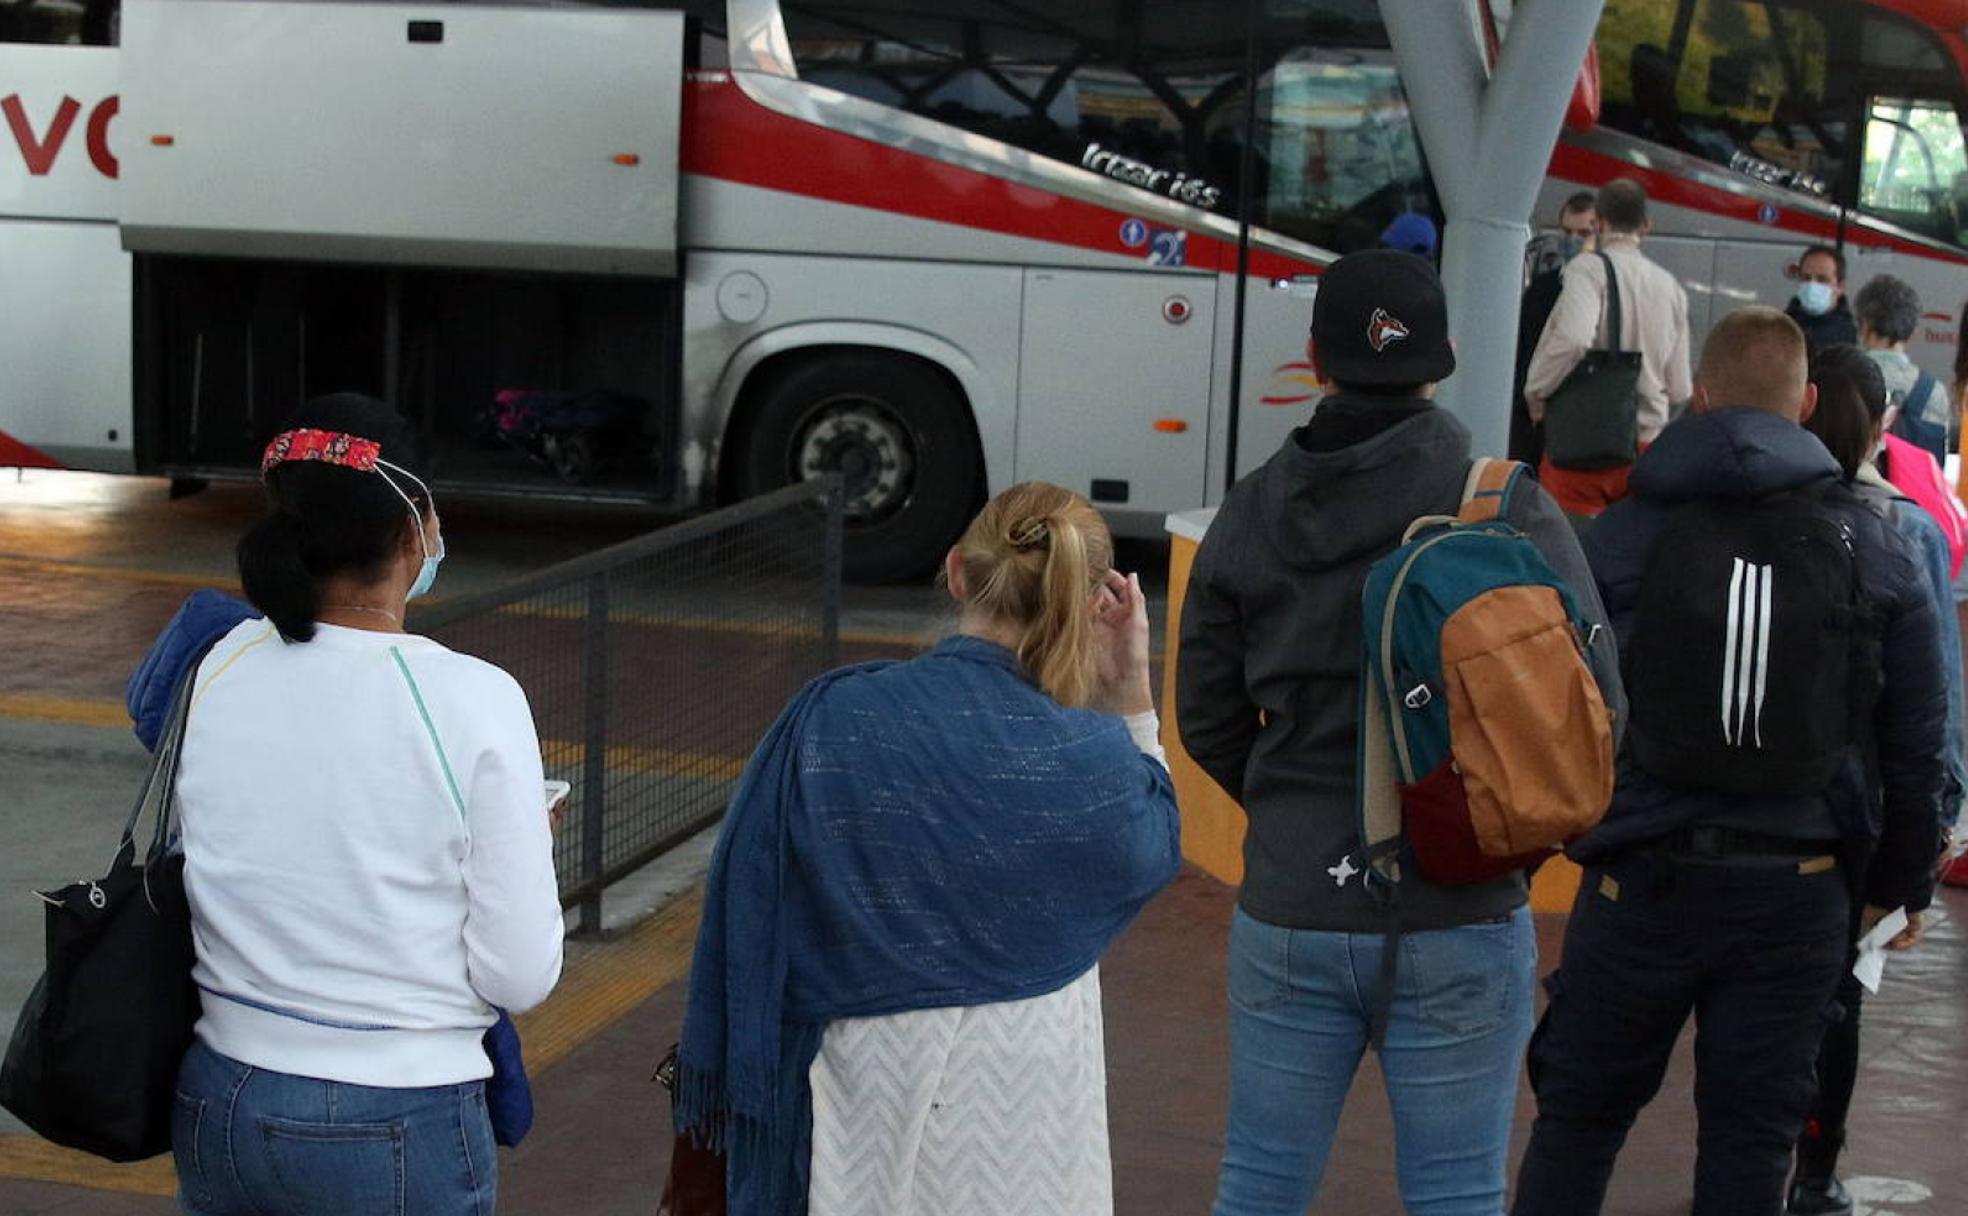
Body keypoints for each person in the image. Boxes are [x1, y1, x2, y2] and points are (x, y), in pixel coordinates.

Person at [1177, 249, 1621, 1216]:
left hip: (1293, 904)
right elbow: (1597, 708)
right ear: (1446, 358)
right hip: (1461, 907)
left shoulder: (1251, 508)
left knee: (1257, 1186)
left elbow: (1204, 711)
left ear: (1314, 359)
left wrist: (1296, 809)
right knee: (1458, 1194)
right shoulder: (1504, 506)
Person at [1512, 309, 1946, 1216]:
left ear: (1700, 398)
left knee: (1579, 1124)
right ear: (1809, 401)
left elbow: (1560, 710)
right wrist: (1899, 884)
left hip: (1640, 887)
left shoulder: (1615, 540)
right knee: (1751, 1145)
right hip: (1799, 892)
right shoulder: (1879, 545)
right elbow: (1914, 740)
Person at [673, 481, 1180, 1216]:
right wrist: (1131, 687)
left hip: (857, 1079)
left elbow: (754, 895)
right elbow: (1154, 844)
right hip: (1025, 1096)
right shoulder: (1095, 755)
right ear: (1081, 599)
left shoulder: (831, 718)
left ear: (955, 571)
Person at [162, 394, 566, 1216]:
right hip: (393, 1113)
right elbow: (519, 974)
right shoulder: (471, 697)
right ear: (414, 528)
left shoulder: (221, 662)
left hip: (219, 1096)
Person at [1789, 345, 1960, 1215]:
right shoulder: (1910, 533)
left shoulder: (1753, 516)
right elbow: (1934, 705)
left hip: (1764, 808)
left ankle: (1755, 1163)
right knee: (1838, 1007)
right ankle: (1813, 1180)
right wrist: (1929, 840)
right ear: (1882, 427)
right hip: (1864, 815)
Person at [1525, 178, 1694, 518]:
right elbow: (1680, 390)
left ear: (1599, 221)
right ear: (1646, 226)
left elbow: (1573, 338)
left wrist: (1536, 391)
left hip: (1583, 449)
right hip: (1644, 452)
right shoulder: (1671, 287)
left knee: (1567, 559)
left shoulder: (1587, 270)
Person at [1511, 192, 1600, 465]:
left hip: (1574, 422)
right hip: (1541, 426)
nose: (1572, 241)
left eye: (1583, 233)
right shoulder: (1542, 289)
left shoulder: (1609, 290)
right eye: (1567, 232)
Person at [1857, 274, 1949, 465]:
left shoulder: (1846, 378)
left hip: (1856, 491)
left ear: (1864, 326)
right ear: (1912, 333)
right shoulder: (1935, 392)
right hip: (1912, 493)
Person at [1785, 244, 1859, 355]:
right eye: (1806, 278)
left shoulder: (1854, 335)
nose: (1812, 285)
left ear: (1840, 287)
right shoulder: (1782, 327)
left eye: (1822, 280)